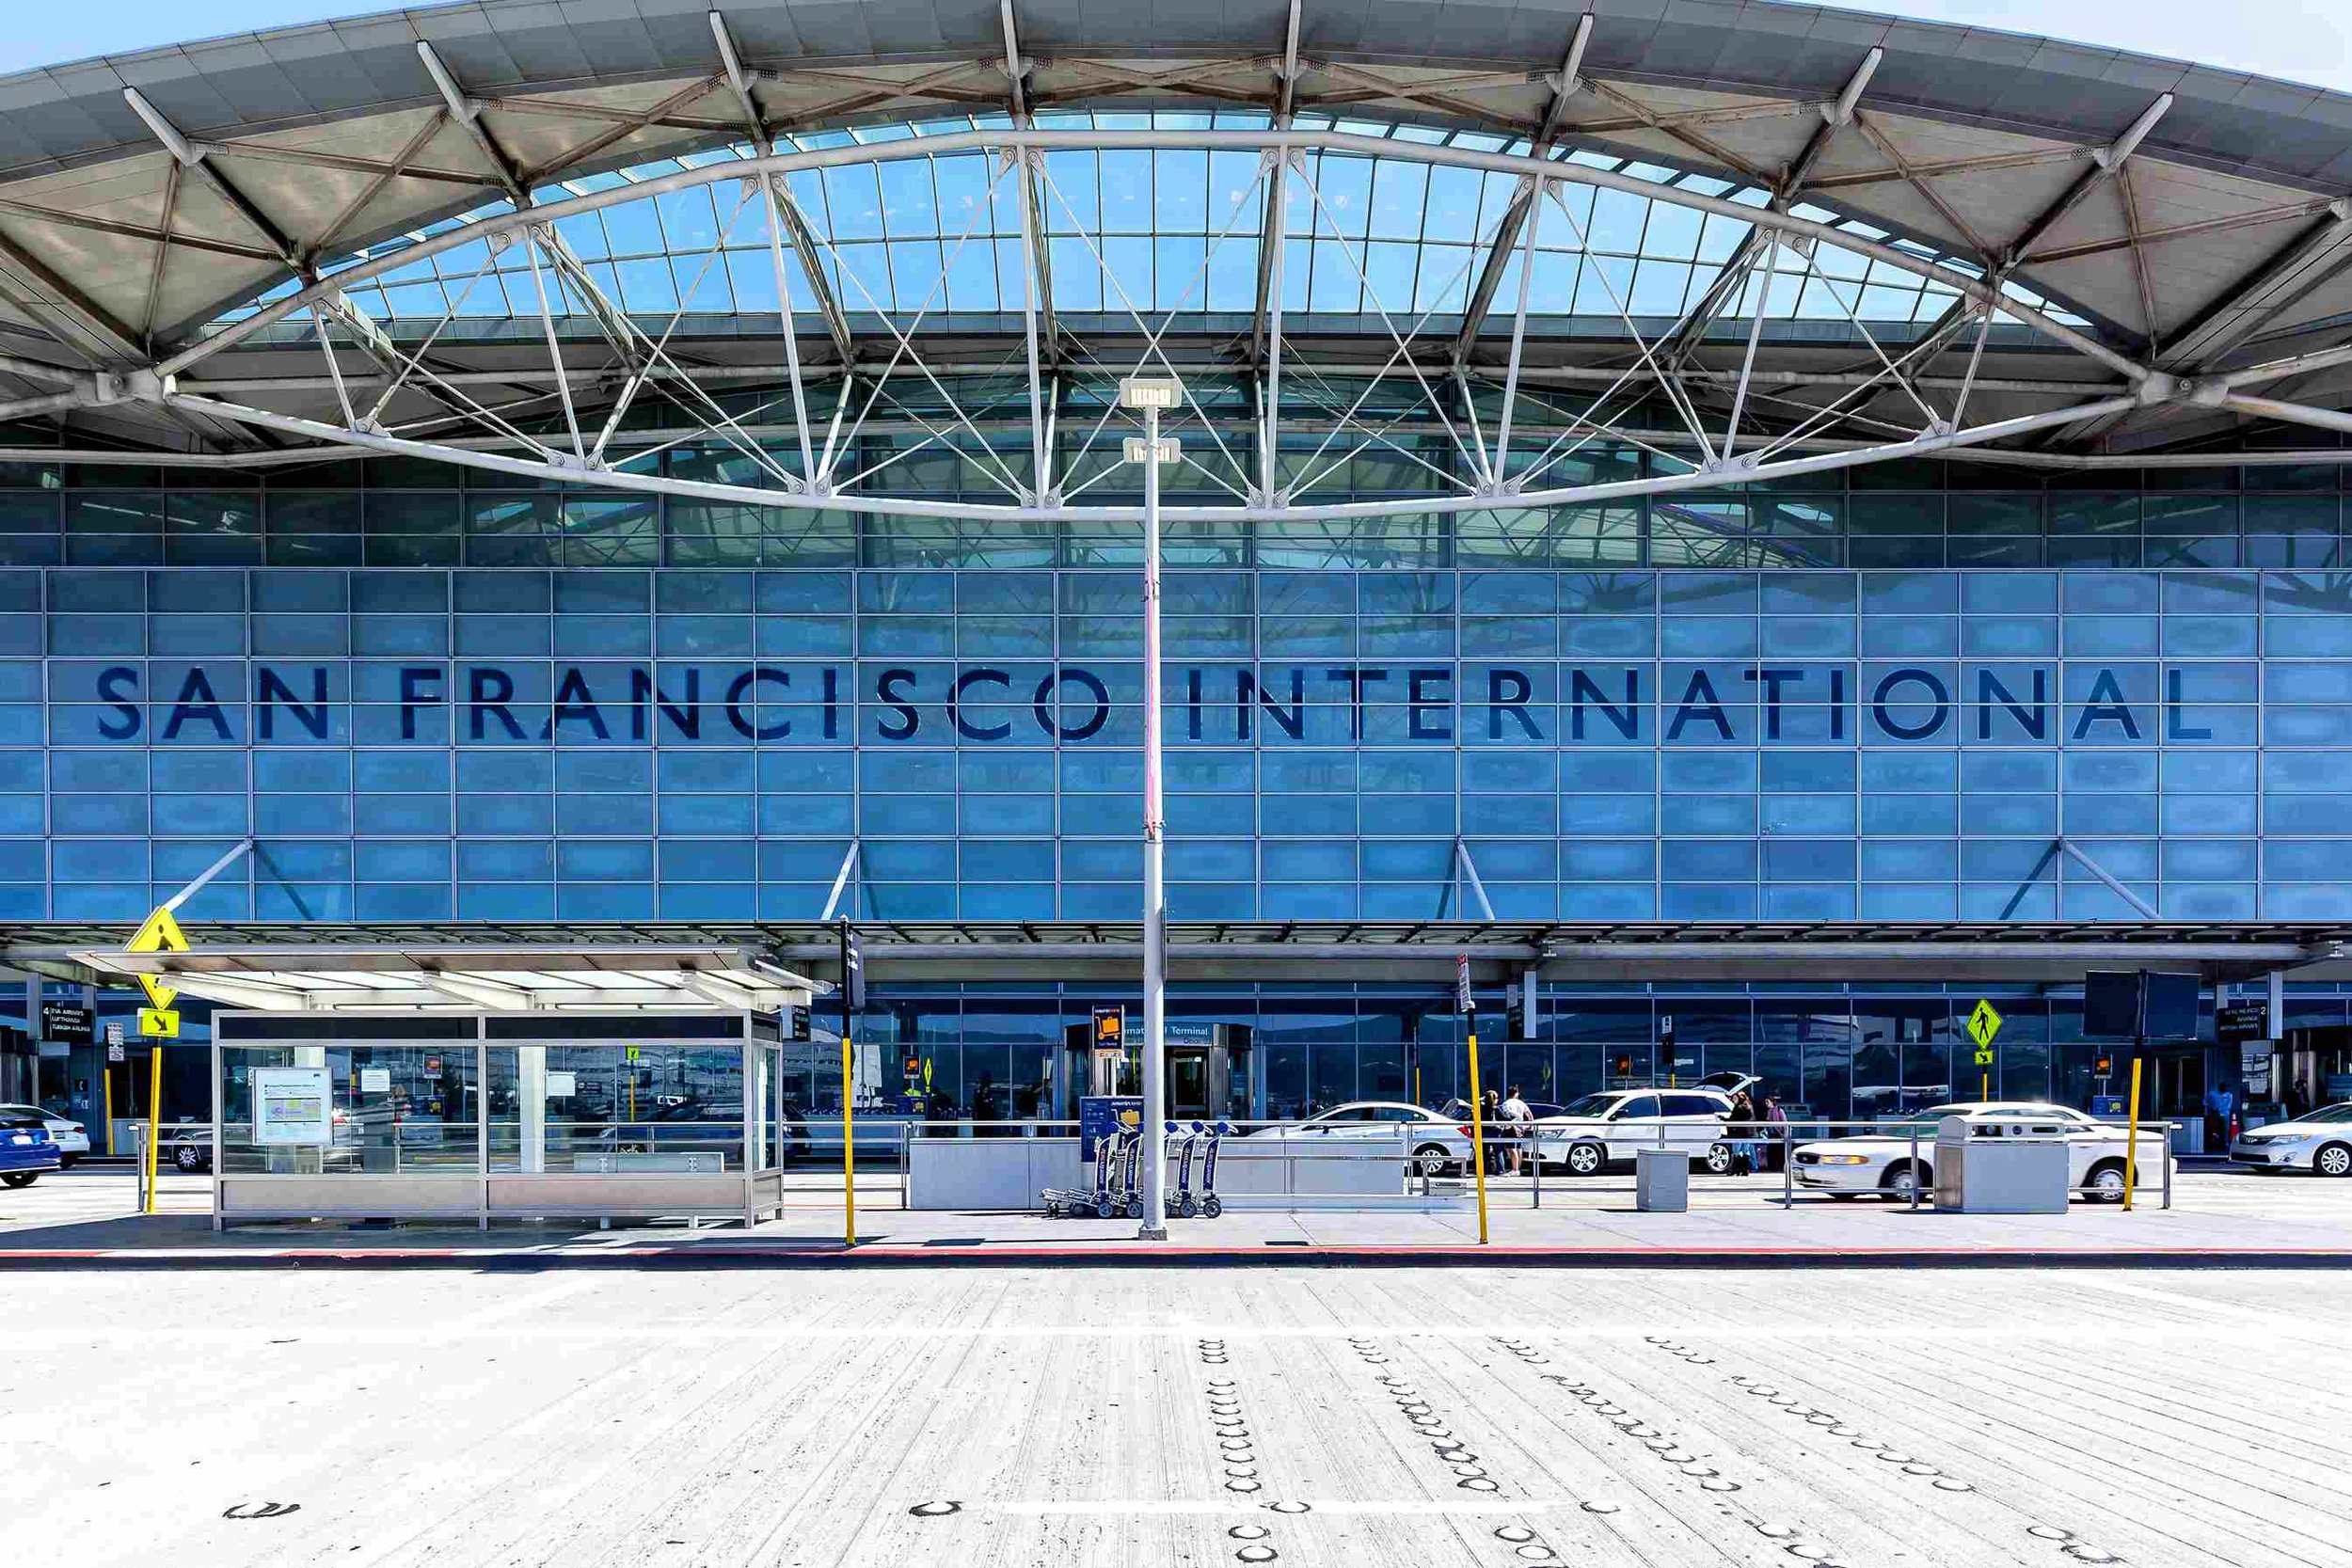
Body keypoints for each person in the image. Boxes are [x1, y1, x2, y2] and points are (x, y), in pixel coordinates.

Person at [1724, 1088, 1759, 1176]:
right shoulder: (1748, 1106)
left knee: (1737, 1151)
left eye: (1735, 1098)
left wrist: (1723, 1119)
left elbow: (1733, 1120)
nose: (1733, 1100)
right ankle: (1744, 1170)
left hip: (1740, 1132)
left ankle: (1736, 1169)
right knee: (1745, 1151)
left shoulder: (1738, 1107)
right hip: (1749, 1133)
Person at [1501, 1085, 1534, 1175]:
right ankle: (1517, 1169)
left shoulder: (1506, 1103)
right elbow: (1529, 1114)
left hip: (1511, 1127)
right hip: (1521, 1127)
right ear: (1517, 1093)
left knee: (1512, 1148)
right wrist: (1529, 1125)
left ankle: (1514, 1169)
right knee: (1519, 1148)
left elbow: (1507, 1117)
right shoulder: (1521, 1103)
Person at [1763, 1093, 1789, 1172]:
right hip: (1772, 1134)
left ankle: (1779, 1167)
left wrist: (1784, 1133)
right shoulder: (1769, 1111)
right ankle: (1772, 1167)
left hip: (1779, 1134)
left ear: (1772, 1102)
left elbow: (1784, 1122)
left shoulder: (1779, 1110)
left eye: (1767, 1102)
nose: (1766, 1104)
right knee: (1772, 1151)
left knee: (1779, 1151)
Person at [1481, 1087, 1505, 1174]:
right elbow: (1506, 1119)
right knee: (1498, 1151)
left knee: (1483, 1152)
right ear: (1494, 1099)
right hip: (1495, 1132)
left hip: (1483, 1132)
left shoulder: (1481, 1108)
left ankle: (1483, 1170)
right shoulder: (1496, 1109)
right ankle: (1500, 1170)